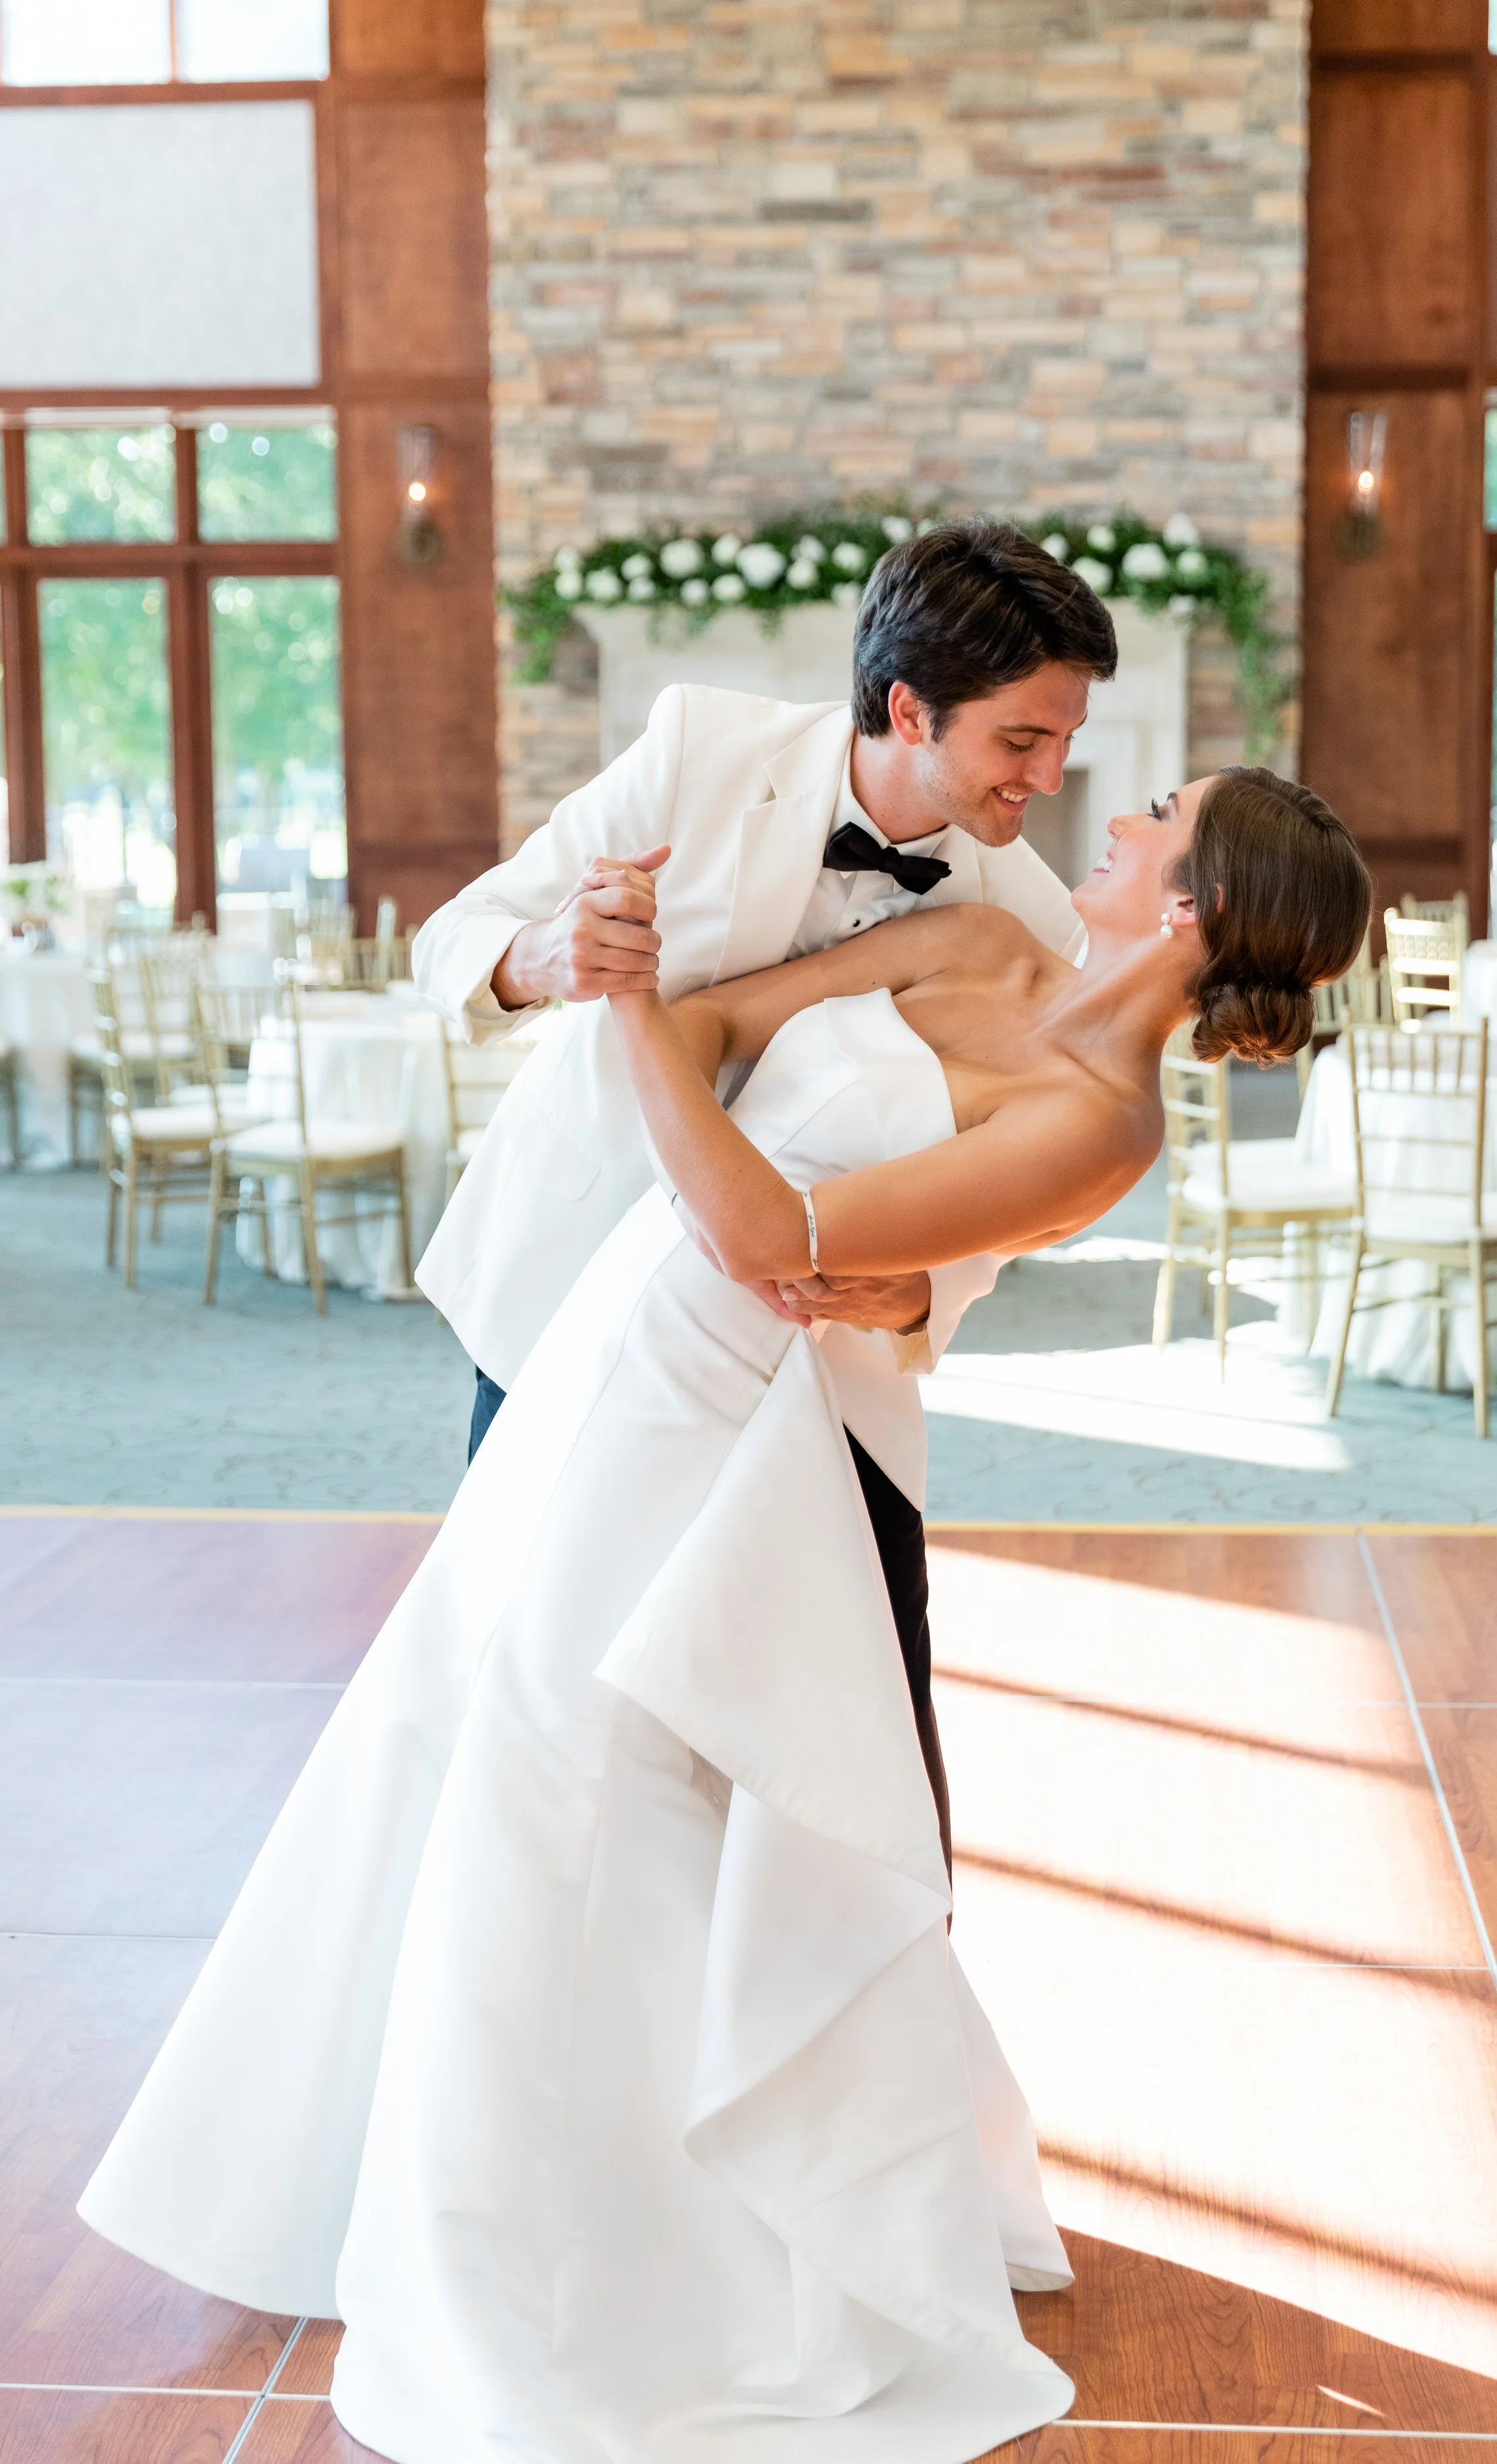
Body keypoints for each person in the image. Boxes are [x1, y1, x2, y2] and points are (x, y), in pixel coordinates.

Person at [80, 764, 1371, 2464]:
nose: (1112, 809)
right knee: (457, 1713)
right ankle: (366, 2176)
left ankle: (575, 2260)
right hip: (620, 1344)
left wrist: (676, 1079)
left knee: (571, 1778)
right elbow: (712, 1044)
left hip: (746, 1412)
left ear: (1194, 903)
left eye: (1154, 810)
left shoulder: (1102, 1114)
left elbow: (765, 1218)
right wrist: (658, 1037)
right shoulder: (972, 931)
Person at [413, 518, 1117, 1870]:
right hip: (577, 1279)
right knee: (513, 1645)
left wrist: (923, 1286)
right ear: (908, 708)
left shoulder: (1025, 917)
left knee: (815, 1688)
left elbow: (1016, 1176)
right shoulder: (698, 751)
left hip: (802, 1329)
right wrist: (545, 955)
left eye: (1065, 739)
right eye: (1020, 740)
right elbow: (458, 937)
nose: (1048, 774)